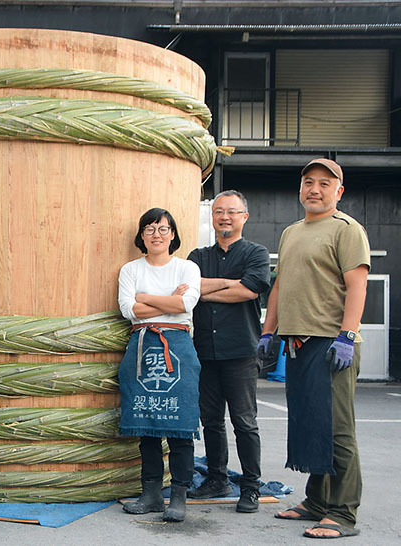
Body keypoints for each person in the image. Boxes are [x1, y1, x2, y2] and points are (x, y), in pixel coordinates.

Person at [260, 158, 369, 539]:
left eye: (325, 183)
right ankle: (317, 502)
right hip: (297, 342)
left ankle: (342, 512)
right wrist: (267, 332)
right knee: (311, 426)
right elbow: (278, 286)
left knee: (338, 431)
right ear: (301, 188)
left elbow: (357, 286)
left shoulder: (347, 229)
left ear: (338, 192)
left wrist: (347, 336)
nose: (315, 189)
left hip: (331, 341)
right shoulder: (291, 232)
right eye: (309, 182)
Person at [187, 190, 270, 513]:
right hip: (204, 352)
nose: (224, 217)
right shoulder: (197, 257)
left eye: (232, 212)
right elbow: (189, 290)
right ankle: (217, 479)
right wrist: (227, 283)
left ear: (244, 217)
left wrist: (205, 290)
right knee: (211, 421)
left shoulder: (256, 253)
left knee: (244, 422)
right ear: (212, 216)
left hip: (241, 352)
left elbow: (249, 289)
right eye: (219, 211)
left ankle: (250, 487)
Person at [117, 207, 202, 523]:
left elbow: (185, 305)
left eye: (163, 229)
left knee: (180, 427)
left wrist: (146, 298)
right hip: (142, 346)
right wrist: (167, 300)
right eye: (150, 228)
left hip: (178, 347)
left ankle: (178, 496)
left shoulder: (187, 268)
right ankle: (151, 494)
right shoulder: (130, 269)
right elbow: (129, 310)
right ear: (141, 235)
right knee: (147, 426)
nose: (157, 234)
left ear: (173, 235)